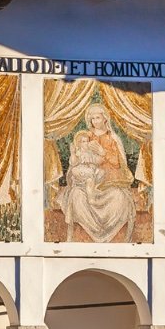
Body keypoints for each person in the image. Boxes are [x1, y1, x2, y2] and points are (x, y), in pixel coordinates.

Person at [55, 104, 142, 242]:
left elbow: (118, 163)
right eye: (92, 118)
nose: (95, 121)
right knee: (76, 195)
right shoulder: (86, 137)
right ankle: (77, 237)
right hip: (89, 180)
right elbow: (77, 158)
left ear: (105, 119)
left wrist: (103, 152)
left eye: (98, 118)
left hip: (110, 181)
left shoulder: (113, 138)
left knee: (120, 198)